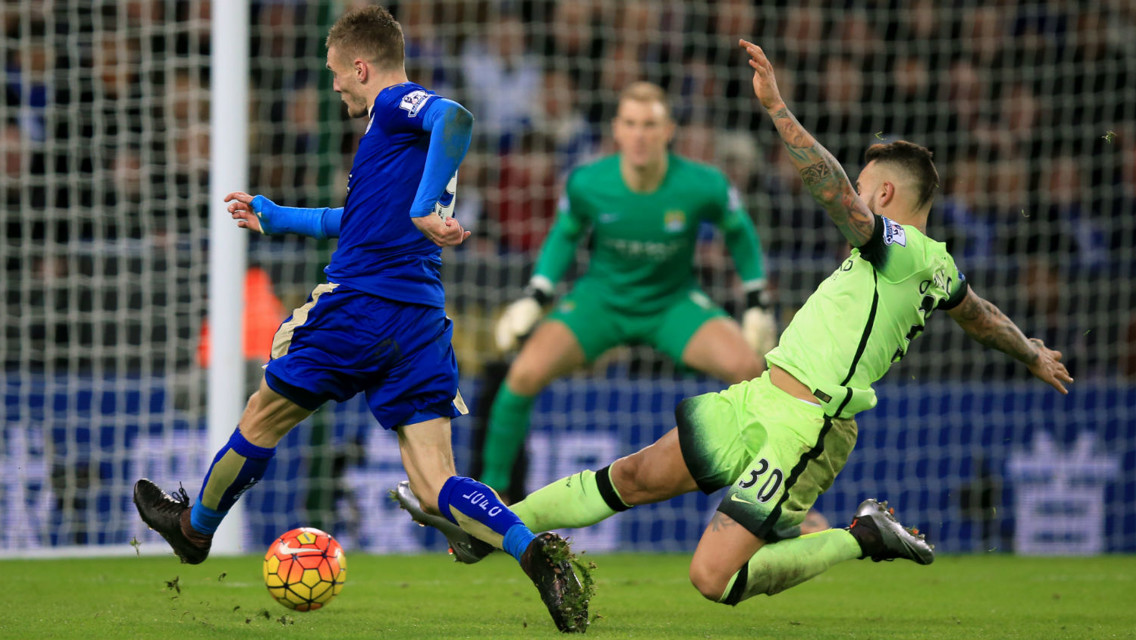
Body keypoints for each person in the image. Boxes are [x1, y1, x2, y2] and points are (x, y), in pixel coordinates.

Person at [393, 40, 1074, 606]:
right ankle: (486, 528)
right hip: (759, 397)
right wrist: (1033, 353)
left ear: (887, 194)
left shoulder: (898, 245)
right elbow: (981, 317)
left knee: (712, 579)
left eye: (868, 186)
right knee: (629, 477)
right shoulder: (940, 268)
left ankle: (862, 535)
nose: (858, 197)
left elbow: (833, 189)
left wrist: (778, 110)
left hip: (808, 426)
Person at [131, 6, 589, 633]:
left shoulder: (399, 103)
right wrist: (278, 215)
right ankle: (535, 553)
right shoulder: (391, 141)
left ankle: (193, 530)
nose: (335, 84)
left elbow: (457, 115)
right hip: (420, 319)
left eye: (336, 72)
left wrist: (427, 205)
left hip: (358, 305)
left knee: (262, 417)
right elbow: (360, 222)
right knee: (436, 482)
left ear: (361, 65)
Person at [482, 81, 778, 502]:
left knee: (751, 371)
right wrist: (536, 295)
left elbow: (740, 232)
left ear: (668, 131)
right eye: (631, 124)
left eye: (650, 125)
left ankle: (767, 495)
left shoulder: (703, 184)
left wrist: (757, 302)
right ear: (617, 131)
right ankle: (492, 500)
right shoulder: (587, 183)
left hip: (672, 303)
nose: (640, 134)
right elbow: (564, 236)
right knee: (522, 376)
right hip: (602, 301)